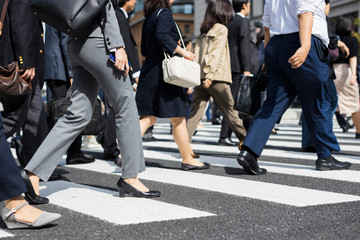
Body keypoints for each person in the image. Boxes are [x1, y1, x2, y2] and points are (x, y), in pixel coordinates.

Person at [24, 0, 160, 198]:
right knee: (126, 104)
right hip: (99, 42)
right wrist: (117, 45)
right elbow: (105, 6)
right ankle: (130, 177)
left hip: (77, 44)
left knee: (78, 114)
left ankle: (33, 173)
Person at [237, 0, 351, 175]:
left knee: (273, 103)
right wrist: (305, 46)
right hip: (303, 41)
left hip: (276, 46)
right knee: (317, 101)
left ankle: (249, 151)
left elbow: (267, 26)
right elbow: (304, 12)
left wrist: (268, 58)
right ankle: (325, 156)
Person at [136, 0, 209, 170]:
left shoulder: (149, 17)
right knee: (177, 117)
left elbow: (145, 50)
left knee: (148, 117)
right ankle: (187, 159)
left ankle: (122, 153)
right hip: (165, 75)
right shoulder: (165, 13)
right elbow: (162, 36)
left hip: (150, 71)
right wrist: (183, 51)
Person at [0, 0, 50, 205]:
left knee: (36, 122)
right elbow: (21, 22)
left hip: (28, 65)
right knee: (14, 118)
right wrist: (25, 61)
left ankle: (32, 184)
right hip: (21, 66)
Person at [186, 0, 247, 151]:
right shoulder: (221, 29)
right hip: (215, 78)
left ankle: (184, 148)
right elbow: (216, 52)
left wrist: (201, 75)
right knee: (231, 111)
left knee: (194, 114)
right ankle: (247, 142)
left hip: (200, 77)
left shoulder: (204, 30)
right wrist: (210, 75)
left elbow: (197, 53)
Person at [45, 24, 95, 165]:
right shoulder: (63, 6)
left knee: (59, 112)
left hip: (54, 68)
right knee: (67, 112)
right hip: (61, 70)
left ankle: (74, 152)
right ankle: (69, 153)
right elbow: (65, 42)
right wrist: (72, 72)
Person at [98, 0, 141, 162]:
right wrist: (135, 72)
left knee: (113, 107)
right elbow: (127, 47)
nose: (135, 1)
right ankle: (110, 145)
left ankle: (107, 141)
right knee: (117, 108)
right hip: (119, 67)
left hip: (117, 66)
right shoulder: (118, 16)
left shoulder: (120, 16)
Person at [218, 0, 254, 146]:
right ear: (244, 5)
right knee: (235, 102)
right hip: (238, 66)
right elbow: (244, 46)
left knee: (232, 101)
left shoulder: (229, 21)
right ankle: (224, 136)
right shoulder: (243, 21)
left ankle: (230, 134)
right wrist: (247, 68)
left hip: (228, 65)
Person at [332, 17, 360, 139]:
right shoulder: (353, 40)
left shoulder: (333, 40)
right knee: (354, 105)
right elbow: (353, 58)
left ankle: (327, 133)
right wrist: (354, 75)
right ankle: (359, 132)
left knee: (331, 105)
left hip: (331, 72)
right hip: (345, 72)